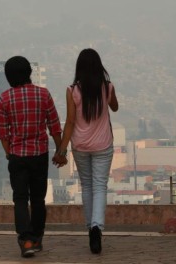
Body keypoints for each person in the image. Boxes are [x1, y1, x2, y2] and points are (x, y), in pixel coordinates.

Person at [0, 56, 67, 258]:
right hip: (39, 155)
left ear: (9, 77)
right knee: (38, 199)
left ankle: (25, 240)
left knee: (20, 198)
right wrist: (60, 152)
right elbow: (54, 126)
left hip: (17, 156)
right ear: (29, 73)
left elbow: (3, 134)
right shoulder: (43, 95)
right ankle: (36, 238)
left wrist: (10, 153)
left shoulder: (4, 98)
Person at [54, 48, 118, 254]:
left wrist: (61, 151)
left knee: (87, 186)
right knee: (100, 186)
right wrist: (109, 94)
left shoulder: (73, 90)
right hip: (103, 145)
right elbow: (115, 107)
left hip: (80, 146)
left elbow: (70, 122)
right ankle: (97, 227)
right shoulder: (107, 87)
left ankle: (91, 226)